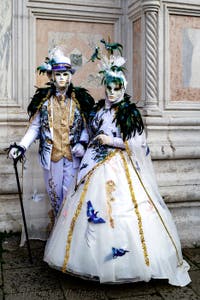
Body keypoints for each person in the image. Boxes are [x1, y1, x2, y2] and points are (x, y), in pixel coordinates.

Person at [43, 41, 191, 286]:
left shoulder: (129, 113)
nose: (111, 93)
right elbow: (88, 132)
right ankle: (88, 260)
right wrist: (83, 143)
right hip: (95, 164)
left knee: (124, 210)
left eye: (116, 88)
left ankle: (131, 263)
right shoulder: (99, 111)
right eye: (108, 88)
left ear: (122, 88)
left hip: (120, 166)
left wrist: (110, 140)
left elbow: (138, 143)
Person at [8, 46, 94, 218]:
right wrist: (22, 146)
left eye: (65, 74)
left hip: (72, 156)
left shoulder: (79, 101)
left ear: (70, 76)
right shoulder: (44, 102)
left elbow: (86, 126)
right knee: (54, 196)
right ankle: (57, 234)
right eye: (58, 74)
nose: (62, 78)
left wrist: (83, 142)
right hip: (51, 155)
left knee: (70, 196)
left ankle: (67, 237)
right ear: (52, 77)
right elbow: (35, 127)